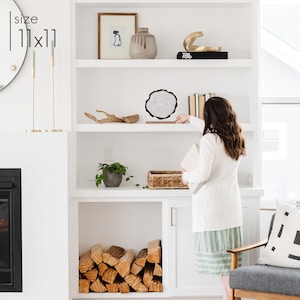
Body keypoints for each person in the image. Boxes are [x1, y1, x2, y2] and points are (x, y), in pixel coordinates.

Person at [176, 96, 245, 300]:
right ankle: (230, 298)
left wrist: (185, 176)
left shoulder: (209, 140)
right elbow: (211, 130)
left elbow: (202, 174)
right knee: (228, 264)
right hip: (231, 209)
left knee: (222, 268)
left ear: (209, 116)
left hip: (212, 210)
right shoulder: (235, 137)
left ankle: (231, 298)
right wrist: (191, 119)